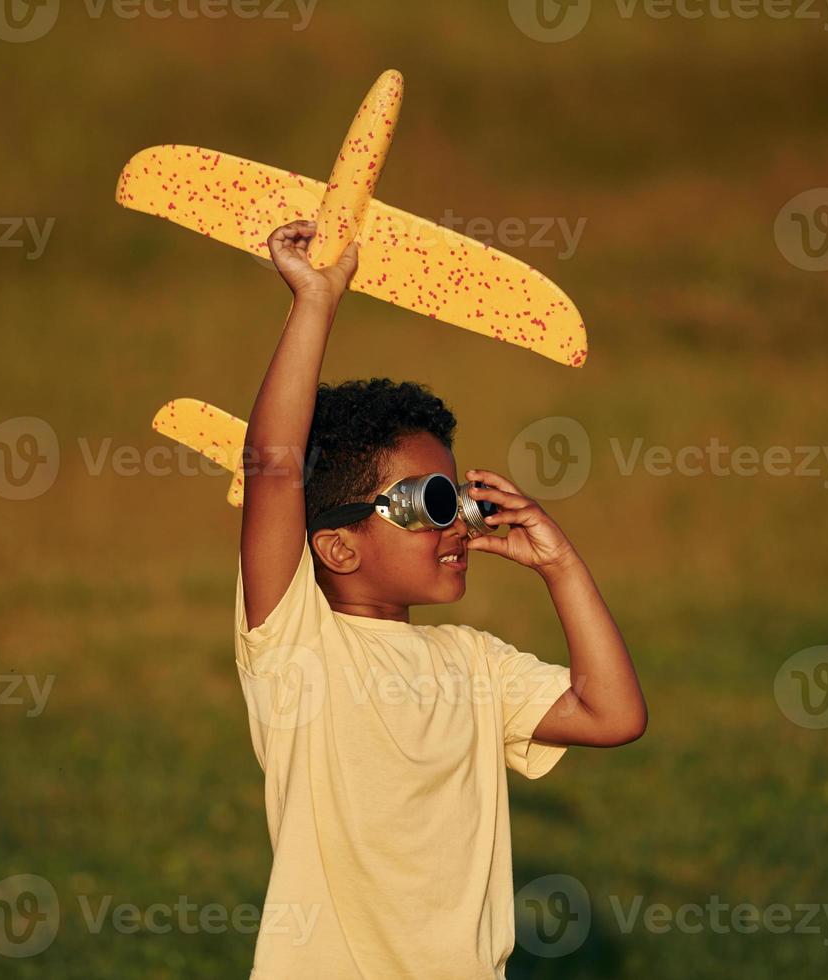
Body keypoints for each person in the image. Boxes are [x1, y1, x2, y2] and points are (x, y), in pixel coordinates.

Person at [235, 219, 647, 978]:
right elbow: (272, 468)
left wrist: (560, 564)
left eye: (456, 497)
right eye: (427, 501)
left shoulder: (473, 663)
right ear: (337, 545)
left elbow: (614, 713)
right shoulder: (296, 645)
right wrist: (316, 304)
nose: (457, 521)